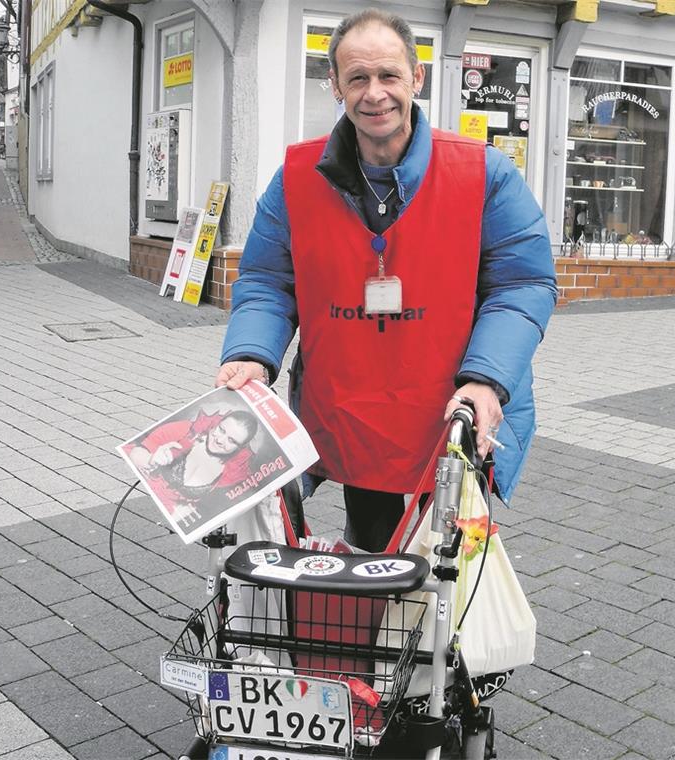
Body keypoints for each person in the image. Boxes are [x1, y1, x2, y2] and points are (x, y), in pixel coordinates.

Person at [216, 9, 557, 552]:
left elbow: (523, 284)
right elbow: (267, 280)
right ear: (335, 86)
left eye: (389, 75)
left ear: (416, 77)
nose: (375, 94)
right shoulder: (297, 180)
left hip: (454, 408)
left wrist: (488, 378)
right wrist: (251, 354)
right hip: (356, 407)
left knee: (446, 566)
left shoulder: (483, 172)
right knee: (371, 560)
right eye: (357, 78)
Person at [126, 409, 258, 523]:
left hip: (172, 521)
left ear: (239, 448)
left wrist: (189, 511)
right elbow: (135, 453)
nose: (219, 440)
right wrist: (150, 460)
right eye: (221, 430)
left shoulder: (232, 473)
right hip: (142, 504)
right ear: (217, 423)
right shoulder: (186, 430)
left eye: (231, 440)